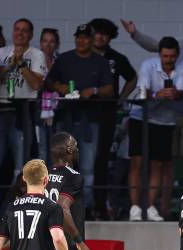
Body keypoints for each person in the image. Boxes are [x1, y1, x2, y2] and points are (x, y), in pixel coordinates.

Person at [120, 18, 183, 191]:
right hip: (166, 115)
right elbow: (155, 45)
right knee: (165, 163)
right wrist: (134, 33)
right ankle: (162, 209)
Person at [0, 18, 46, 221]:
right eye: (17, 30)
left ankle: (16, 206)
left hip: (23, 110)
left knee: (20, 165)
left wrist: (22, 64)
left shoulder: (37, 54)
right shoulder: (0, 54)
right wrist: (8, 66)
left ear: (31, 34)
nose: (20, 33)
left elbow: (36, 85)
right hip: (1, 109)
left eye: (25, 31)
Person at [46, 24, 114, 215]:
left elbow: (110, 89)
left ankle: (86, 206)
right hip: (66, 117)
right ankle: (57, 205)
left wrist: (93, 91)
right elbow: (49, 81)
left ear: (91, 40)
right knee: (61, 165)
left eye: (85, 37)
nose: (81, 40)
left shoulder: (100, 62)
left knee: (87, 166)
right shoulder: (65, 59)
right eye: (79, 37)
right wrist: (60, 87)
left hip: (89, 119)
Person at [127, 37, 183, 222]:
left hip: (164, 121)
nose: (168, 59)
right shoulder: (148, 65)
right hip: (141, 116)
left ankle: (150, 206)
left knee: (158, 165)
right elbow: (143, 91)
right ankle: (135, 207)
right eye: (165, 56)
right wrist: (158, 94)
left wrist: (175, 93)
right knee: (137, 162)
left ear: (177, 55)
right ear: (159, 54)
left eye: (172, 56)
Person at [89, 18, 137, 219]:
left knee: (100, 160)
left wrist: (121, 99)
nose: (99, 37)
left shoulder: (116, 58)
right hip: (83, 113)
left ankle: (100, 204)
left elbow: (133, 78)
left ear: (110, 37)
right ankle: (83, 204)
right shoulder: (83, 55)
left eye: (104, 34)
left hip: (107, 113)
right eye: (96, 33)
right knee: (82, 160)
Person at [37, 28, 60, 164]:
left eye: (52, 41)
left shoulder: (61, 61)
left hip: (58, 111)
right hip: (38, 111)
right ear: (40, 43)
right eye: (45, 41)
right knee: (42, 149)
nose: (48, 44)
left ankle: (55, 183)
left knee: (56, 150)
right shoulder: (34, 61)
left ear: (57, 44)